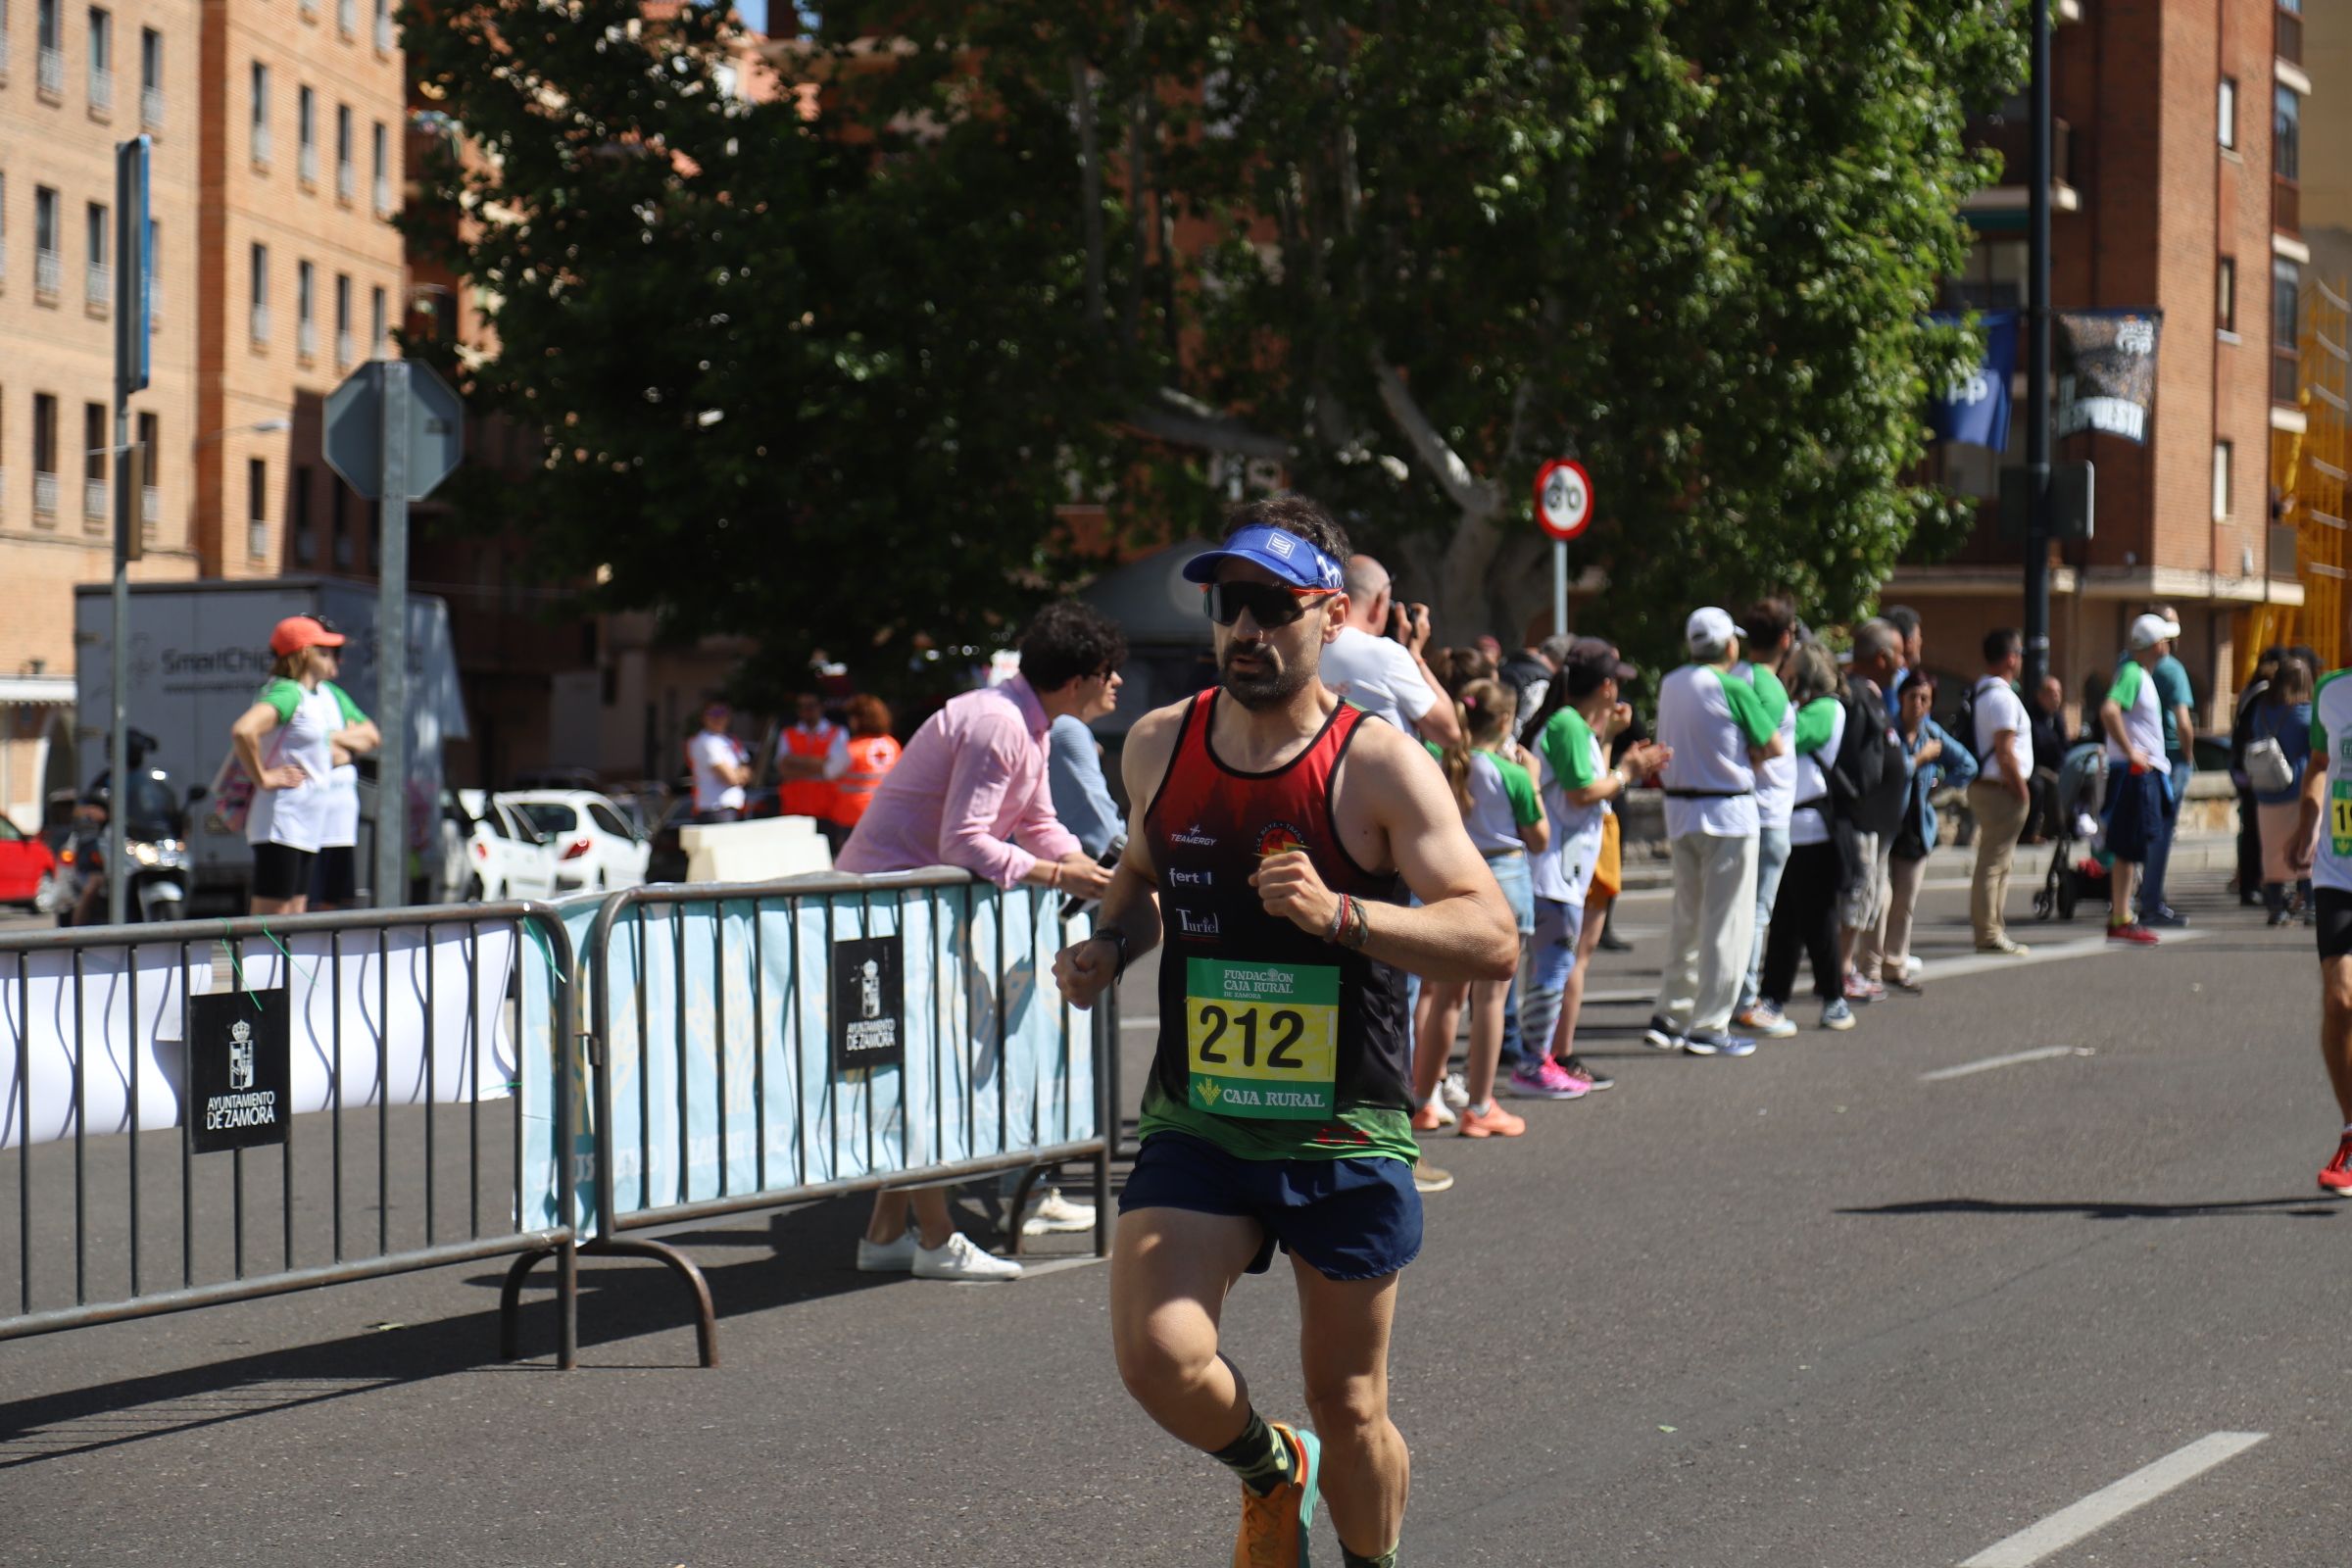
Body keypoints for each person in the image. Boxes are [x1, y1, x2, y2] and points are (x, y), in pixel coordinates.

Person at [1052, 494, 1516, 1568]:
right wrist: (1108, 946)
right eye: (1228, 604)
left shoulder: (1378, 765)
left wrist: (1342, 914)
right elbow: (1142, 883)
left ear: (1331, 619)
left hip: (1342, 1127)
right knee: (1157, 1354)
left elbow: (1489, 934)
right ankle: (1271, 1468)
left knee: (1351, 1402)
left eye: (1272, 605)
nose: (1245, 629)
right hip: (1202, 1117)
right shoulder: (1161, 747)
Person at [839, 602, 1121, 1280]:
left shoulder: (1026, 721)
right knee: (920, 1073)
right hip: (883, 911)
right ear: (1079, 677)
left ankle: (886, 1235)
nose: (1116, 688)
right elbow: (964, 841)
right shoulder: (1000, 725)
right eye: (1109, 674)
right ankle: (935, 1243)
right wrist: (1062, 871)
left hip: (903, 907)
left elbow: (1038, 822)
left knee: (916, 1070)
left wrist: (1095, 872)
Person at [1523, 638, 1666, 1089]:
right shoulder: (1566, 724)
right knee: (1555, 968)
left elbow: (1590, 782)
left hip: (1564, 867)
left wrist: (1614, 751)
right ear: (1605, 686)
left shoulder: (1573, 724)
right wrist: (1629, 771)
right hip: (1555, 869)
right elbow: (1584, 792)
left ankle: (1546, 1056)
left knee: (1560, 966)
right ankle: (1541, 1060)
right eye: (1616, 684)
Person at [1643, 607, 1787, 1056]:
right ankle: (1710, 1023)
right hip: (1727, 812)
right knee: (1728, 922)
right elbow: (1773, 744)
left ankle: (1672, 1013)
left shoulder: (1670, 682)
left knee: (1687, 916)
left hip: (1681, 810)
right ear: (1730, 645)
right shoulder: (1730, 684)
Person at [1410, 678, 1544, 1134]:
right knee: (1491, 999)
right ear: (1505, 721)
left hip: (1455, 877)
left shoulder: (1448, 765)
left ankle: (1424, 1098)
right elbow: (1540, 837)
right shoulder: (1512, 773)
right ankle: (1481, 1107)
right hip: (1504, 879)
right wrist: (1536, 782)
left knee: (1447, 996)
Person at [229, 615, 363, 916]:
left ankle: (281, 966)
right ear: (304, 653)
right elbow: (243, 730)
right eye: (323, 651)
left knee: (295, 914)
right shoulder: (287, 691)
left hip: (304, 821)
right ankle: (248, 966)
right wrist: (263, 777)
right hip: (282, 820)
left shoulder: (310, 696)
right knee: (272, 917)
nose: (332, 658)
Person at [1757, 643, 1854, 1031]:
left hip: (1813, 831)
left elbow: (1784, 741)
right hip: (1792, 827)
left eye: (1789, 671)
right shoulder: (1803, 710)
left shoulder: (1826, 710)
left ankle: (1833, 998)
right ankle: (1774, 997)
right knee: (1786, 921)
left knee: (1817, 919)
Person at [1860, 672, 1976, 991]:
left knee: (1905, 901)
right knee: (1878, 899)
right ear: (1902, 698)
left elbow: (1968, 764)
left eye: (1925, 698)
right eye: (1913, 697)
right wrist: (1917, 761)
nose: (1919, 704)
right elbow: (1886, 772)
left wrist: (1938, 784)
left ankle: (1895, 965)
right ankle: (1869, 967)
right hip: (1885, 826)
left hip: (1916, 827)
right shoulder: (1890, 730)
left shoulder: (1931, 732)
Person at [1733, 598, 1799, 1039]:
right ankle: (1748, 1000)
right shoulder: (1769, 685)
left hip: (1741, 810)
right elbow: (1760, 748)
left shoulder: (1732, 676)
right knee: (1757, 913)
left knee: (1733, 912)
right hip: (1768, 811)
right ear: (1786, 638)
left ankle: (1732, 996)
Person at [1838, 619, 1911, 1004]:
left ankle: (1847, 969)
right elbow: (1850, 761)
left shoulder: (1874, 696)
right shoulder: (1854, 698)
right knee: (1856, 895)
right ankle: (1842, 970)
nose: (1902, 663)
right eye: (1898, 654)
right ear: (1881, 658)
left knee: (1868, 896)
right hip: (1862, 819)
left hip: (1879, 822)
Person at [2097, 612, 2180, 947]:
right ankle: (2122, 915)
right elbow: (2109, 709)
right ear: (2156, 644)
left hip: (2138, 771)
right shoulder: (2133, 673)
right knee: (2129, 846)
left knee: (2130, 848)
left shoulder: (2137, 673)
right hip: (2134, 772)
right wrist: (2131, 750)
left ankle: (2123, 914)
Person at [1317, 554, 1460, 745]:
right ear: (1379, 600)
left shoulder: (1311, 645)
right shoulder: (1389, 656)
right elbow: (1449, 733)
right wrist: (1415, 654)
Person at [1965, 628, 2034, 956]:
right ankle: (1990, 931)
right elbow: (2005, 752)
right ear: (2010, 658)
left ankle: (1991, 928)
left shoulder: (1981, 692)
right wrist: (2021, 790)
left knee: (1994, 861)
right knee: (1995, 863)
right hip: (2000, 787)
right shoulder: (2003, 697)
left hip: (1986, 783)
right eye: (2019, 653)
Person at [2132, 603, 2197, 927]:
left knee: (2138, 831)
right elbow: (2184, 722)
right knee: (2160, 832)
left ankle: (2140, 897)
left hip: (2141, 757)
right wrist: (2188, 755)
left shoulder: (2129, 666)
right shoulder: (2171, 669)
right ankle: (2151, 901)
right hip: (2167, 756)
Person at [308, 631, 380, 910]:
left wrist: (333, 739)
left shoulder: (333, 694)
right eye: (327, 652)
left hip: (340, 824)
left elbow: (371, 736)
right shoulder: (294, 695)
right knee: (307, 904)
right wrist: (341, 742)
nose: (337, 660)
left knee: (336, 901)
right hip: (310, 822)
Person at [2252, 656, 2316, 925]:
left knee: (2271, 850)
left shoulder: (2263, 711)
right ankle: (2312, 906)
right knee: (2307, 849)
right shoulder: (2306, 713)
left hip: (2267, 788)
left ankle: (2276, 907)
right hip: (2299, 787)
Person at [1048, 667, 1126, 859]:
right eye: (1107, 671)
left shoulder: (1060, 726)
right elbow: (1102, 828)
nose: (1117, 680)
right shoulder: (1067, 728)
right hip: (1039, 882)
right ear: (1076, 680)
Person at [2232, 648, 2285, 906]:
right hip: (2258, 769)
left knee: (2252, 829)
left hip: (2246, 768)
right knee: (2257, 831)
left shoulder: (2250, 690)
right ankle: (2253, 885)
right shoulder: (2264, 693)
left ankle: (2250, 883)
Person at [774, 692, 850, 851]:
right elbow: (783, 768)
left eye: (810, 706)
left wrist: (795, 760)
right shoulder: (788, 733)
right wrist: (819, 765)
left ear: (821, 707)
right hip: (794, 809)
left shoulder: (837, 732)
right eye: (801, 707)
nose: (806, 710)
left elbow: (834, 768)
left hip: (826, 811)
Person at [828, 694, 902, 838]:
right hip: (885, 814)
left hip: (853, 816)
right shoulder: (893, 745)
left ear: (858, 719)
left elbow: (830, 772)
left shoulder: (852, 748)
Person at [2023, 673, 2071, 845]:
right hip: (2033, 768)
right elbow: (2041, 743)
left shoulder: (2057, 718)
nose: (2056, 696)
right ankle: (2030, 832)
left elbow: (2064, 746)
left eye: (2059, 692)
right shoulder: (2031, 715)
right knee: (2040, 785)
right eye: (2052, 692)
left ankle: (2068, 827)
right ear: (2040, 695)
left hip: (2055, 768)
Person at [686, 703, 752, 824]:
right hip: (715, 809)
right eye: (713, 714)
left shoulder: (730, 740)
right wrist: (738, 775)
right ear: (703, 717)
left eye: (722, 713)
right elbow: (730, 777)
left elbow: (747, 769)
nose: (718, 718)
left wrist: (738, 775)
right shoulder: (704, 741)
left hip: (734, 807)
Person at [1882, 605, 1924, 714]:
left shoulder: (1880, 678)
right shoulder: (1898, 681)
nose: (1920, 642)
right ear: (1909, 642)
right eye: (1919, 636)